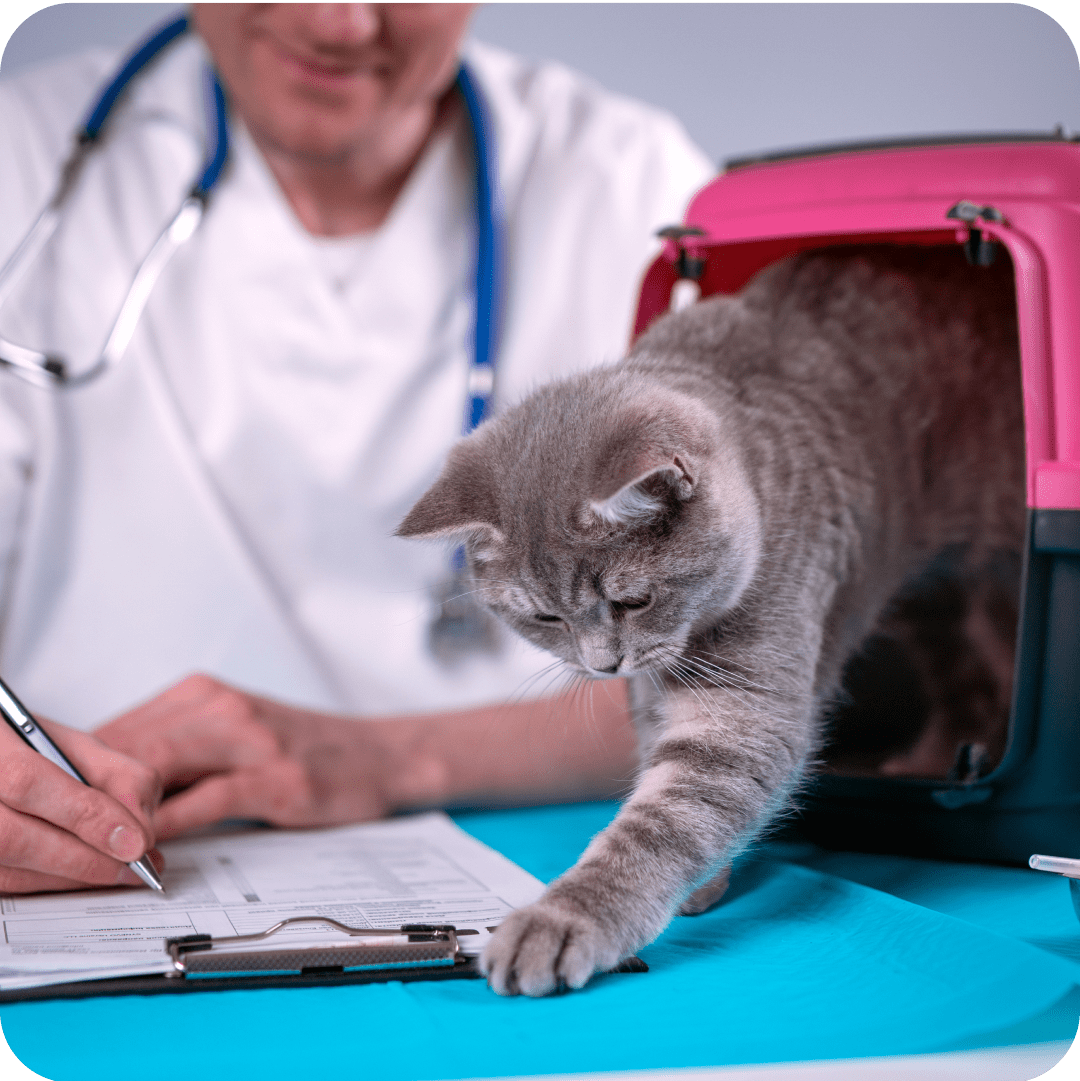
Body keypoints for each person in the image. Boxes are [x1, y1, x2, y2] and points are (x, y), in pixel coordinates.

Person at [0, 3, 713, 893]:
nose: (338, 22)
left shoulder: (640, 193)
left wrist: (393, 757)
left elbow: (756, 660)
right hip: (92, 887)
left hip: (531, 860)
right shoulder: (18, 157)